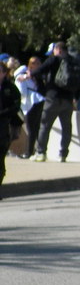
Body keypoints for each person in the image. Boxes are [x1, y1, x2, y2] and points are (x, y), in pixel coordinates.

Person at [31, 40, 80, 162]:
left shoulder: (54, 60)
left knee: (45, 126)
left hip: (52, 98)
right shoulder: (74, 61)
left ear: (58, 50)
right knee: (66, 128)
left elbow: (40, 70)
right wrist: (76, 97)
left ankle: (41, 152)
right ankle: (63, 154)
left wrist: (30, 75)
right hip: (68, 100)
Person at [14, 57, 44, 159]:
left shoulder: (20, 78)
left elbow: (22, 93)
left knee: (31, 128)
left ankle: (29, 152)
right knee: (36, 128)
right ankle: (38, 150)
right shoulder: (32, 77)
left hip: (31, 103)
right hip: (39, 100)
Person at [0, 61, 21, 193]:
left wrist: (4, 113)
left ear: (4, 73)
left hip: (4, 125)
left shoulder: (10, 88)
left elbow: (16, 105)